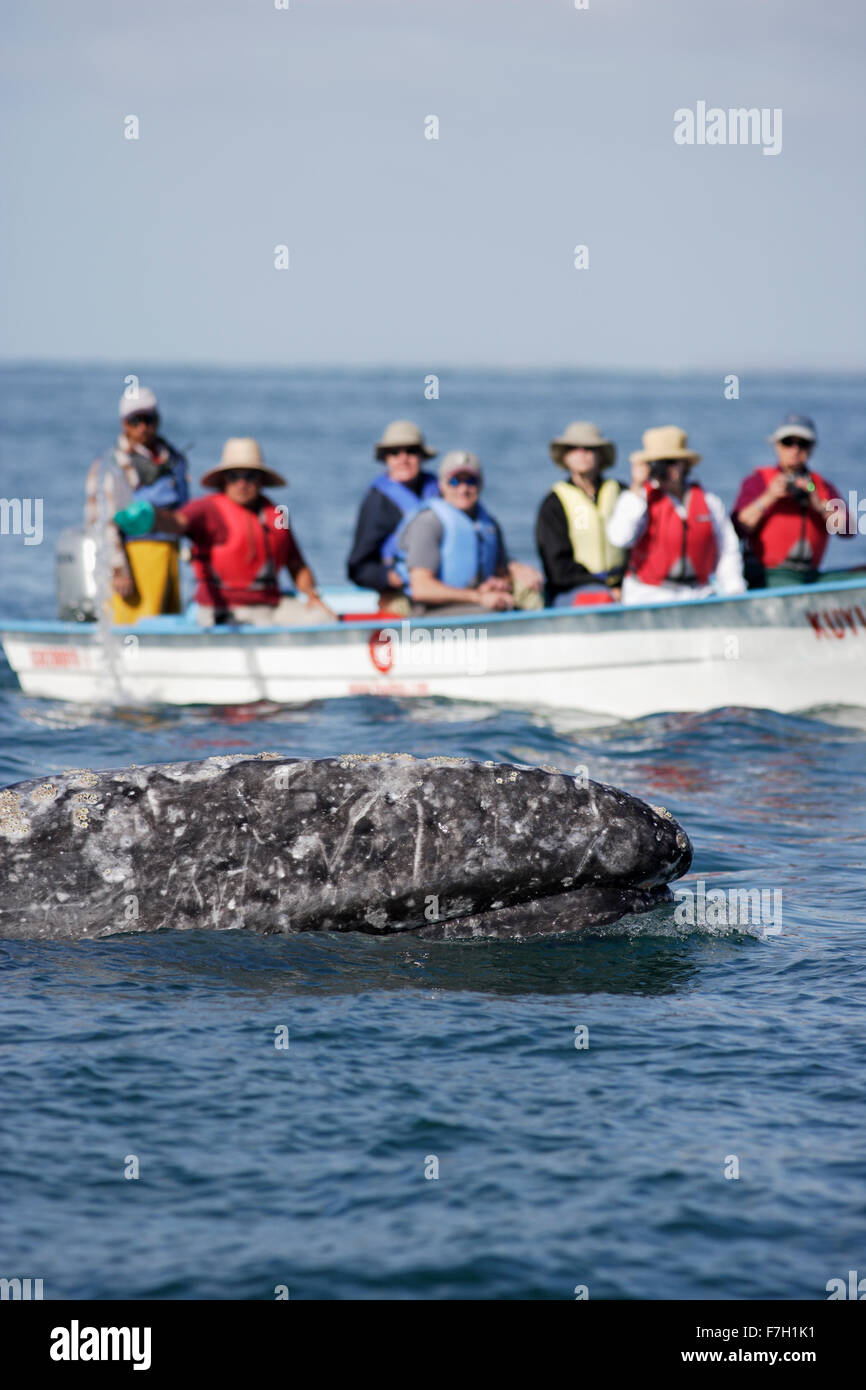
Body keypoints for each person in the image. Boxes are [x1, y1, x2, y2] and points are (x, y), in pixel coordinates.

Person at [114, 438, 336, 626]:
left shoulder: (279, 514)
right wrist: (152, 517)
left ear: (261, 481)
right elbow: (176, 521)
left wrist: (312, 595)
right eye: (234, 476)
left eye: (249, 476)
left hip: (271, 606)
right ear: (223, 480)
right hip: (222, 609)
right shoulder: (208, 509)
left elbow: (297, 565)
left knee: (324, 618)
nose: (242, 483)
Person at [607, 426, 746, 604]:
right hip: (648, 595)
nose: (666, 470)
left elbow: (727, 549)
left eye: (672, 462)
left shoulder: (709, 501)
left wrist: (734, 590)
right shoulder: (639, 499)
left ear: (685, 465)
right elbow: (619, 538)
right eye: (660, 463)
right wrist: (636, 486)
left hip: (698, 594)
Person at [85, 387, 189, 622]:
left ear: (158, 420)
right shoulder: (112, 463)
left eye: (148, 419)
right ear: (124, 424)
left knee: (167, 626)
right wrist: (118, 568)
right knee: (135, 627)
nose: (142, 427)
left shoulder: (174, 460)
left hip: (169, 557)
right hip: (136, 560)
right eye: (135, 420)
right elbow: (101, 521)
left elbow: (186, 514)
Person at [395, 451, 543, 615]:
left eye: (471, 481)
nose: (463, 489)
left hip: (473, 601)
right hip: (430, 612)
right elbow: (422, 588)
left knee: (532, 596)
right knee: (489, 612)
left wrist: (498, 584)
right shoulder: (429, 523)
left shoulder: (489, 524)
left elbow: (501, 572)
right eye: (454, 481)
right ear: (442, 485)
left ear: (480, 484)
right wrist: (477, 596)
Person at [731, 414, 852, 588]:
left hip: (809, 576)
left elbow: (847, 530)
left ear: (811, 448)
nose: (795, 450)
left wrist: (819, 504)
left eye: (802, 444)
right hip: (768, 575)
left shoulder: (818, 487)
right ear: (777, 445)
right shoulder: (759, 481)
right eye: (788, 442)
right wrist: (769, 496)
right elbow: (738, 528)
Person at [347, 420, 441, 612]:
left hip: (446, 584)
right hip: (403, 593)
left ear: (422, 456)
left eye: (411, 451)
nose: (403, 458)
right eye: (394, 452)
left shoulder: (444, 490)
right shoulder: (377, 502)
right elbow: (358, 568)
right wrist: (389, 577)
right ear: (386, 459)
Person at [535, 421, 626, 605]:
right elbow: (557, 567)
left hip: (624, 583)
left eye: (589, 449)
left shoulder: (622, 493)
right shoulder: (554, 503)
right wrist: (602, 585)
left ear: (600, 455)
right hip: (573, 588)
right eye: (574, 449)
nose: (581, 454)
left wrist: (625, 582)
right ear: (565, 457)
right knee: (600, 599)